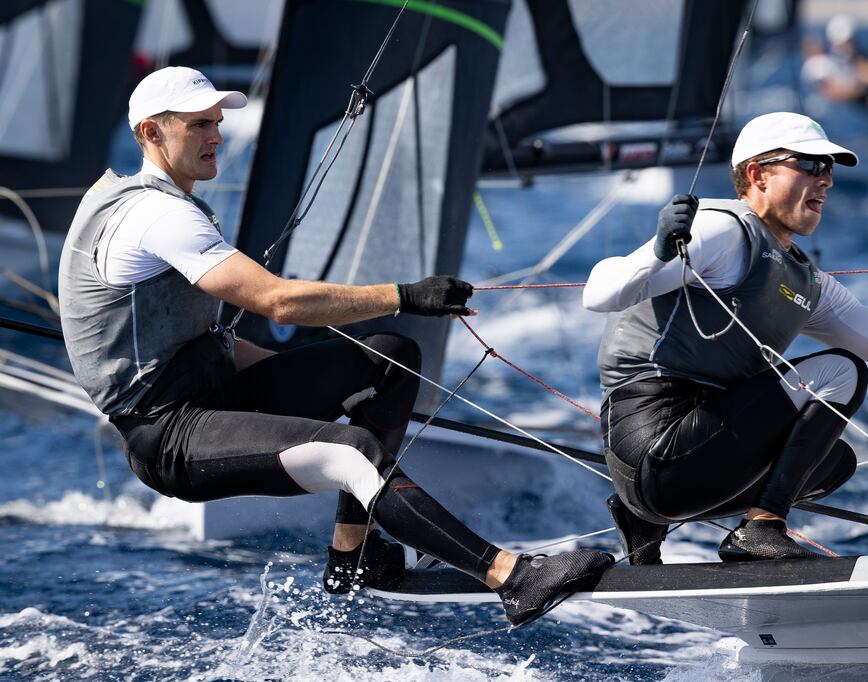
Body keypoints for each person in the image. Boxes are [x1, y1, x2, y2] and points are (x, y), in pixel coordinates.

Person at [57, 66, 611, 626]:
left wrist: (320, 390)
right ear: (152, 132)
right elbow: (278, 303)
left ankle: (356, 555)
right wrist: (403, 294)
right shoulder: (157, 215)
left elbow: (200, 343)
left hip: (214, 394)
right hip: (169, 435)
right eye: (199, 125)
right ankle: (511, 578)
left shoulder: (144, 203)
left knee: (389, 358)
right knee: (354, 452)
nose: (216, 137)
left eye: (217, 123)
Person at [583, 111, 868, 563]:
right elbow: (599, 294)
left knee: (833, 463)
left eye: (829, 169)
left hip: (687, 464)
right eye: (811, 165)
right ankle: (761, 529)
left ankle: (648, 520)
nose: (827, 180)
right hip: (651, 443)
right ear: (758, 174)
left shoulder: (806, 281)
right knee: (841, 372)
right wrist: (658, 252)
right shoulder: (720, 228)